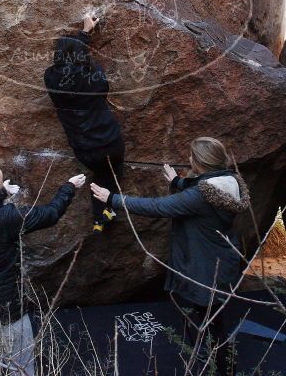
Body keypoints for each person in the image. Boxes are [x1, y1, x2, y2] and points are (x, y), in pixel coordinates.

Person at [91, 137, 250, 374]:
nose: (188, 158)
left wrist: (113, 199)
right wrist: (178, 181)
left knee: (209, 325)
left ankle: (223, 369)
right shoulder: (230, 180)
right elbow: (206, 193)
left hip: (204, 268)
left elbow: (159, 207)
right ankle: (221, 365)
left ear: (199, 162)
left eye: (191, 156)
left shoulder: (199, 195)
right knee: (212, 320)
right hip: (221, 260)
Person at [0, 153, 85, 375]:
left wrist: (0, 194)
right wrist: (69, 187)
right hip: (4, 313)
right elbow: (50, 214)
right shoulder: (6, 217)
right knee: (21, 370)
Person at [44, 12, 124, 232]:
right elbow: (101, 84)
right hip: (110, 142)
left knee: (101, 172)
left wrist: (82, 35)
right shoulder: (93, 76)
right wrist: (84, 35)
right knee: (109, 172)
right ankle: (105, 211)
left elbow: (66, 68)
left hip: (85, 149)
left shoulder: (50, 78)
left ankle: (102, 215)